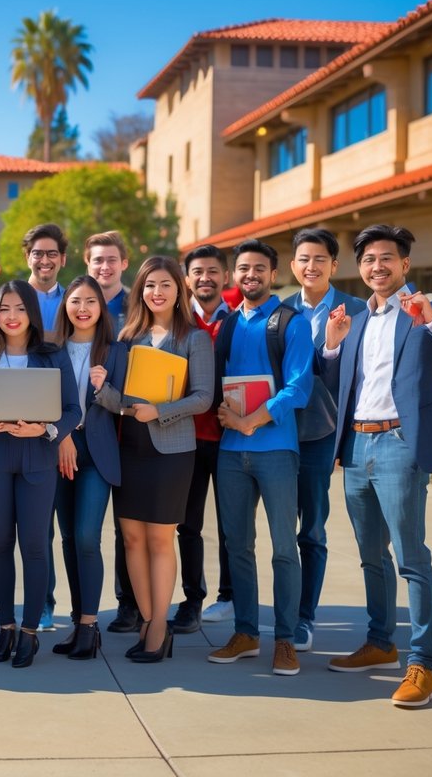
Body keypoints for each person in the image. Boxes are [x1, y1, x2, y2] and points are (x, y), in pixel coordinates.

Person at [322, 224, 432, 708]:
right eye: (370, 259)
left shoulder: (429, 305)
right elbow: (341, 384)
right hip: (355, 447)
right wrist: (332, 345)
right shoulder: (353, 317)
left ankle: (423, 665)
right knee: (370, 556)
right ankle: (380, 644)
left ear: (404, 265)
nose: (378, 266)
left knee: (410, 558)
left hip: (399, 443)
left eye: (387, 258)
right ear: (360, 267)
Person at [101, 257, 213, 663]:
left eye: (165, 285)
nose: (157, 293)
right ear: (140, 292)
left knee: (160, 539)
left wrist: (160, 412)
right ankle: (148, 621)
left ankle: (161, 626)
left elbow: (203, 397)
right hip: (129, 447)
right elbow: (118, 400)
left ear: (178, 290)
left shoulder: (193, 338)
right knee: (131, 538)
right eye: (150, 286)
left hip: (171, 452)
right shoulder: (127, 337)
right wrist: (100, 389)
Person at [209, 240, 313, 676]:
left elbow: (299, 386)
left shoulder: (292, 322)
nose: (249, 275)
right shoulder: (228, 325)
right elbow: (215, 382)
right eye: (243, 269)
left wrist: (253, 420)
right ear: (235, 275)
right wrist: (225, 413)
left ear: (274, 273)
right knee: (238, 546)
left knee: (284, 549)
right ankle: (246, 632)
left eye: (258, 268)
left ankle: (285, 640)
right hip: (231, 453)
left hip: (275, 451)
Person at [0, 280, 81, 668]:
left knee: (33, 545)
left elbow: (72, 410)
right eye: (3, 309)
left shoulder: (52, 356)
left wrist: (45, 430)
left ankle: (30, 633)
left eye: (18, 309)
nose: (11, 317)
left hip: (37, 456)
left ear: (30, 313)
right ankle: (6, 629)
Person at [282, 229, 366, 651]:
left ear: (334, 265)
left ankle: (304, 618)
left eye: (320, 259)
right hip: (277, 433)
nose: (311, 266)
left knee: (311, 530)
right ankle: (277, 614)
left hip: (322, 435)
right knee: (280, 532)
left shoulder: (357, 310)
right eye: (304, 259)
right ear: (293, 265)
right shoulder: (279, 310)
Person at [51, 275, 126, 660]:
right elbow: (42, 399)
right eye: (75, 301)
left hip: (96, 450)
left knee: (85, 537)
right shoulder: (51, 348)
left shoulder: (115, 350)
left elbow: (126, 403)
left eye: (90, 302)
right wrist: (61, 436)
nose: (82, 308)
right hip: (59, 447)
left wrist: (104, 388)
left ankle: (90, 625)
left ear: (101, 308)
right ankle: (77, 622)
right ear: (66, 306)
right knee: (66, 539)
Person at [84, 230, 140, 633]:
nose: (104, 267)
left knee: (129, 524)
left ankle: (129, 603)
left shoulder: (136, 307)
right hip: (91, 429)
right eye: (97, 261)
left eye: (111, 260)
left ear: (124, 263)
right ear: (87, 265)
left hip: (132, 426)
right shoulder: (76, 306)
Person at [178, 245, 235, 631]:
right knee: (188, 524)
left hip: (232, 437)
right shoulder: (180, 323)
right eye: (197, 272)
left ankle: (230, 596)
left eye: (213, 271)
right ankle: (192, 598)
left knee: (232, 523)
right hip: (187, 437)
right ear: (187, 279)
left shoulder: (240, 320)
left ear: (225, 277)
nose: (205, 278)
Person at [22, 223, 69, 631]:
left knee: (76, 531)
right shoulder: (15, 299)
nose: (44, 260)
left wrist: (63, 431)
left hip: (66, 423)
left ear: (63, 259)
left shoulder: (76, 299)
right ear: (28, 258)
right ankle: (44, 601)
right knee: (39, 528)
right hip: (24, 427)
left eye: (51, 253)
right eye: (38, 253)